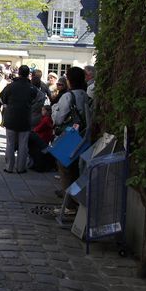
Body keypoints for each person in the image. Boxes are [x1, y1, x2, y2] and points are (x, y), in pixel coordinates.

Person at [51, 66, 92, 198]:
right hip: (82, 134)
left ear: (69, 80)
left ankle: (68, 202)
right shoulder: (85, 94)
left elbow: (58, 119)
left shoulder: (68, 96)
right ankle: (72, 197)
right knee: (75, 169)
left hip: (69, 135)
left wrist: (54, 109)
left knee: (64, 167)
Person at [0, 64, 39, 174]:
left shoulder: (11, 86)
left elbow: (3, 97)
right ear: (28, 74)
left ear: (19, 73)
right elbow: (36, 98)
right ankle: (21, 168)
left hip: (11, 117)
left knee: (10, 143)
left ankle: (9, 167)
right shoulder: (31, 88)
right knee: (23, 144)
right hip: (25, 118)